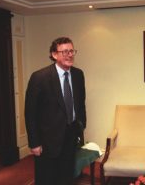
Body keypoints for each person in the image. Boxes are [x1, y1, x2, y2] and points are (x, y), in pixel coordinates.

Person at [25, 37, 86, 185]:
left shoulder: (78, 75)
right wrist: (34, 143)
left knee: (66, 178)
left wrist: (81, 126)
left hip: (70, 137)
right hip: (47, 142)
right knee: (47, 179)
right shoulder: (39, 77)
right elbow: (30, 112)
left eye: (71, 51)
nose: (69, 55)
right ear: (54, 54)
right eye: (64, 51)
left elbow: (80, 103)